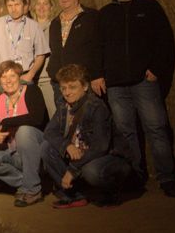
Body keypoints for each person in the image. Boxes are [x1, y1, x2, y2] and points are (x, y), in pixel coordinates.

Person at [94, 0, 175, 197]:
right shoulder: (106, 13)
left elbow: (164, 41)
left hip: (144, 81)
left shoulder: (149, 7)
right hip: (116, 84)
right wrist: (98, 74)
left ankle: (167, 178)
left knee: (156, 128)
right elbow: (98, 47)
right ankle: (135, 178)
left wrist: (157, 69)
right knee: (125, 132)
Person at [42, 64, 132, 208]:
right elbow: (49, 131)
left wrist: (72, 170)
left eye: (72, 87)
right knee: (46, 148)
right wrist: (66, 145)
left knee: (92, 171)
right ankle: (74, 195)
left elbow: (100, 147)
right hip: (81, 154)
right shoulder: (63, 106)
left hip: (108, 157)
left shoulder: (96, 107)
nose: (67, 92)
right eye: (63, 88)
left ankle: (111, 192)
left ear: (84, 87)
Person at [0, 61, 49, 207]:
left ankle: (32, 190)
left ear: (19, 76)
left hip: (38, 151)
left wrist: (7, 122)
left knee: (24, 131)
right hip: (13, 153)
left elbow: (37, 118)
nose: (8, 80)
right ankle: (26, 182)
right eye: (4, 77)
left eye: (12, 75)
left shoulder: (31, 91)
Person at [47, 0, 102, 111]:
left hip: (85, 82)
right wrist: (53, 73)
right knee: (66, 125)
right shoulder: (54, 23)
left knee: (90, 122)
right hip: (61, 85)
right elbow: (55, 51)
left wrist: (97, 75)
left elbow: (99, 47)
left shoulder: (91, 16)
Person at [0, 0, 50, 83]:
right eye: (10, 5)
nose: (13, 9)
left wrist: (30, 74)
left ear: (23, 5)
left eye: (17, 5)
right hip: (2, 78)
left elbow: (41, 54)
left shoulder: (34, 26)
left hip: (25, 77)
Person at [32, 0, 57, 118]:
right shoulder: (28, 27)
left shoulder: (56, 26)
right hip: (32, 81)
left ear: (51, 7)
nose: (41, 7)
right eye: (39, 4)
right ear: (34, 7)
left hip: (49, 80)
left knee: (55, 117)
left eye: (45, 3)